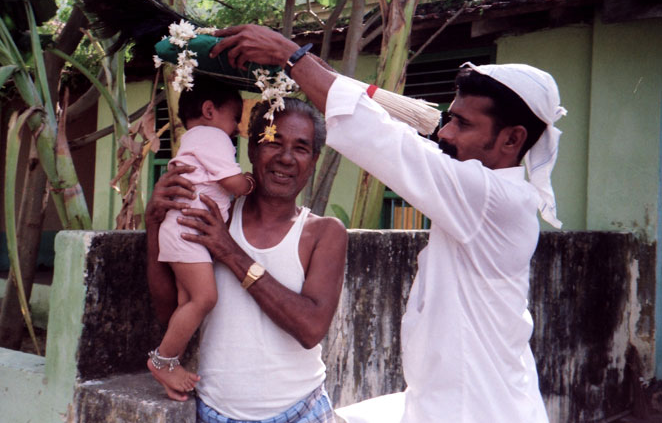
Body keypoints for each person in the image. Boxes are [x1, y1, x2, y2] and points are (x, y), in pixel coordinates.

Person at [207, 24, 567, 423]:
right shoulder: (481, 196)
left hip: (480, 410)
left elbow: (383, 137)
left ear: (512, 141)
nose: (445, 132)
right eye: (449, 119)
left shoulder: (492, 199)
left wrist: (290, 56)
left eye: (463, 124)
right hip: (441, 403)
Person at [145, 96, 348, 423]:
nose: (285, 158)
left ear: (313, 160)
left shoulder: (323, 233)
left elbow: (311, 329)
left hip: (304, 412)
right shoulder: (214, 216)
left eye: (300, 148)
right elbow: (170, 311)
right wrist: (155, 223)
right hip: (214, 413)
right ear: (251, 149)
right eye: (273, 142)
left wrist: (230, 253)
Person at [148, 78, 254, 393]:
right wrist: (251, 181)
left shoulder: (194, 138)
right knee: (205, 298)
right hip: (186, 232)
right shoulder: (212, 136)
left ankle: (170, 368)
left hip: (181, 231)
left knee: (188, 303)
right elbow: (233, 184)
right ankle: (161, 359)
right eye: (235, 117)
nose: (236, 127)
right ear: (209, 110)